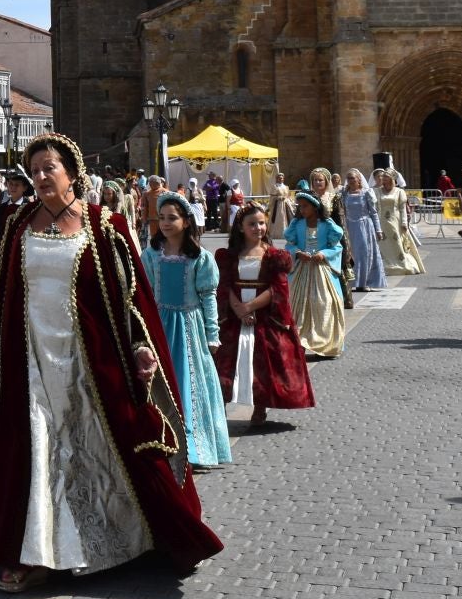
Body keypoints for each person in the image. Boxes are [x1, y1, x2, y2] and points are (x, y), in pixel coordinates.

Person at [0, 133, 221, 593]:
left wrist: (142, 348)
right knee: (35, 448)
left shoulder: (106, 225)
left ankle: (144, 535)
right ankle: (33, 553)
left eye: (50, 168)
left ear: (72, 173)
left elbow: (133, 298)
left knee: (112, 443)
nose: (42, 176)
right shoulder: (15, 222)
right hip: (28, 360)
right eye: (36, 169)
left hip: (91, 361)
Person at [140, 192, 231, 468]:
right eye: (163, 218)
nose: (166, 223)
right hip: (160, 328)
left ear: (186, 222)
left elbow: (208, 297)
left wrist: (212, 333)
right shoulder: (151, 255)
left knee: (190, 384)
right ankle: (164, 442)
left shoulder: (199, 258)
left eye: (173, 218)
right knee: (162, 384)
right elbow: (144, 295)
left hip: (189, 329)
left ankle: (196, 449)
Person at [215, 200, 314, 427]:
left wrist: (250, 307)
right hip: (234, 315)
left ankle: (259, 408)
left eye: (261, 223)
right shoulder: (228, 256)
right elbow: (225, 284)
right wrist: (238, 308)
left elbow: (277, 289)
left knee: (263, 364)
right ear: (241, 227)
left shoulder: (274, 256)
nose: (258, 228)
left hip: (264, 315)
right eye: (252, 224)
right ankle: (219, 407)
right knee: (225, 363)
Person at [283, 190, 347, 359]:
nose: (302, 210)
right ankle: (300, 343)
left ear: (315, 207)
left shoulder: (327, 225)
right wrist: (297, 252)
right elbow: (289, 245)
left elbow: (337, 247)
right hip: (302, 270)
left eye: (305, 206)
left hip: (321, 270)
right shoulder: (297, 225)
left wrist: (324, 253)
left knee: (324, 302)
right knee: (298, 304)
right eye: (300, 206)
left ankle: (325, 344)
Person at [338, 168, 386, 292]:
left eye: (353, 178)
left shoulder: (366, 193)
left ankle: (364, 282)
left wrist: (378, 230)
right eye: (348, 178)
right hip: (349, 226)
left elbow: (374, 213)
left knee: (364, 254)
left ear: (359, 179)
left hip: (365, 226)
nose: (350, 181)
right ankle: (352, 281)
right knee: (351, 254)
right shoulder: (344, 193)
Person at [374, 168, 426, 276]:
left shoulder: (399, 191)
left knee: (397, 242)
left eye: (386, 177)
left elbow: (402, 208)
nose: (383, 179)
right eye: (383, 177)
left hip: (395, 220)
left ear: (392, 179)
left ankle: (401, 263)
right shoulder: (377, 191)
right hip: (382, 220)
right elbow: (375, 207)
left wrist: (404, 222)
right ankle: (385, 265)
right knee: (383, 243)